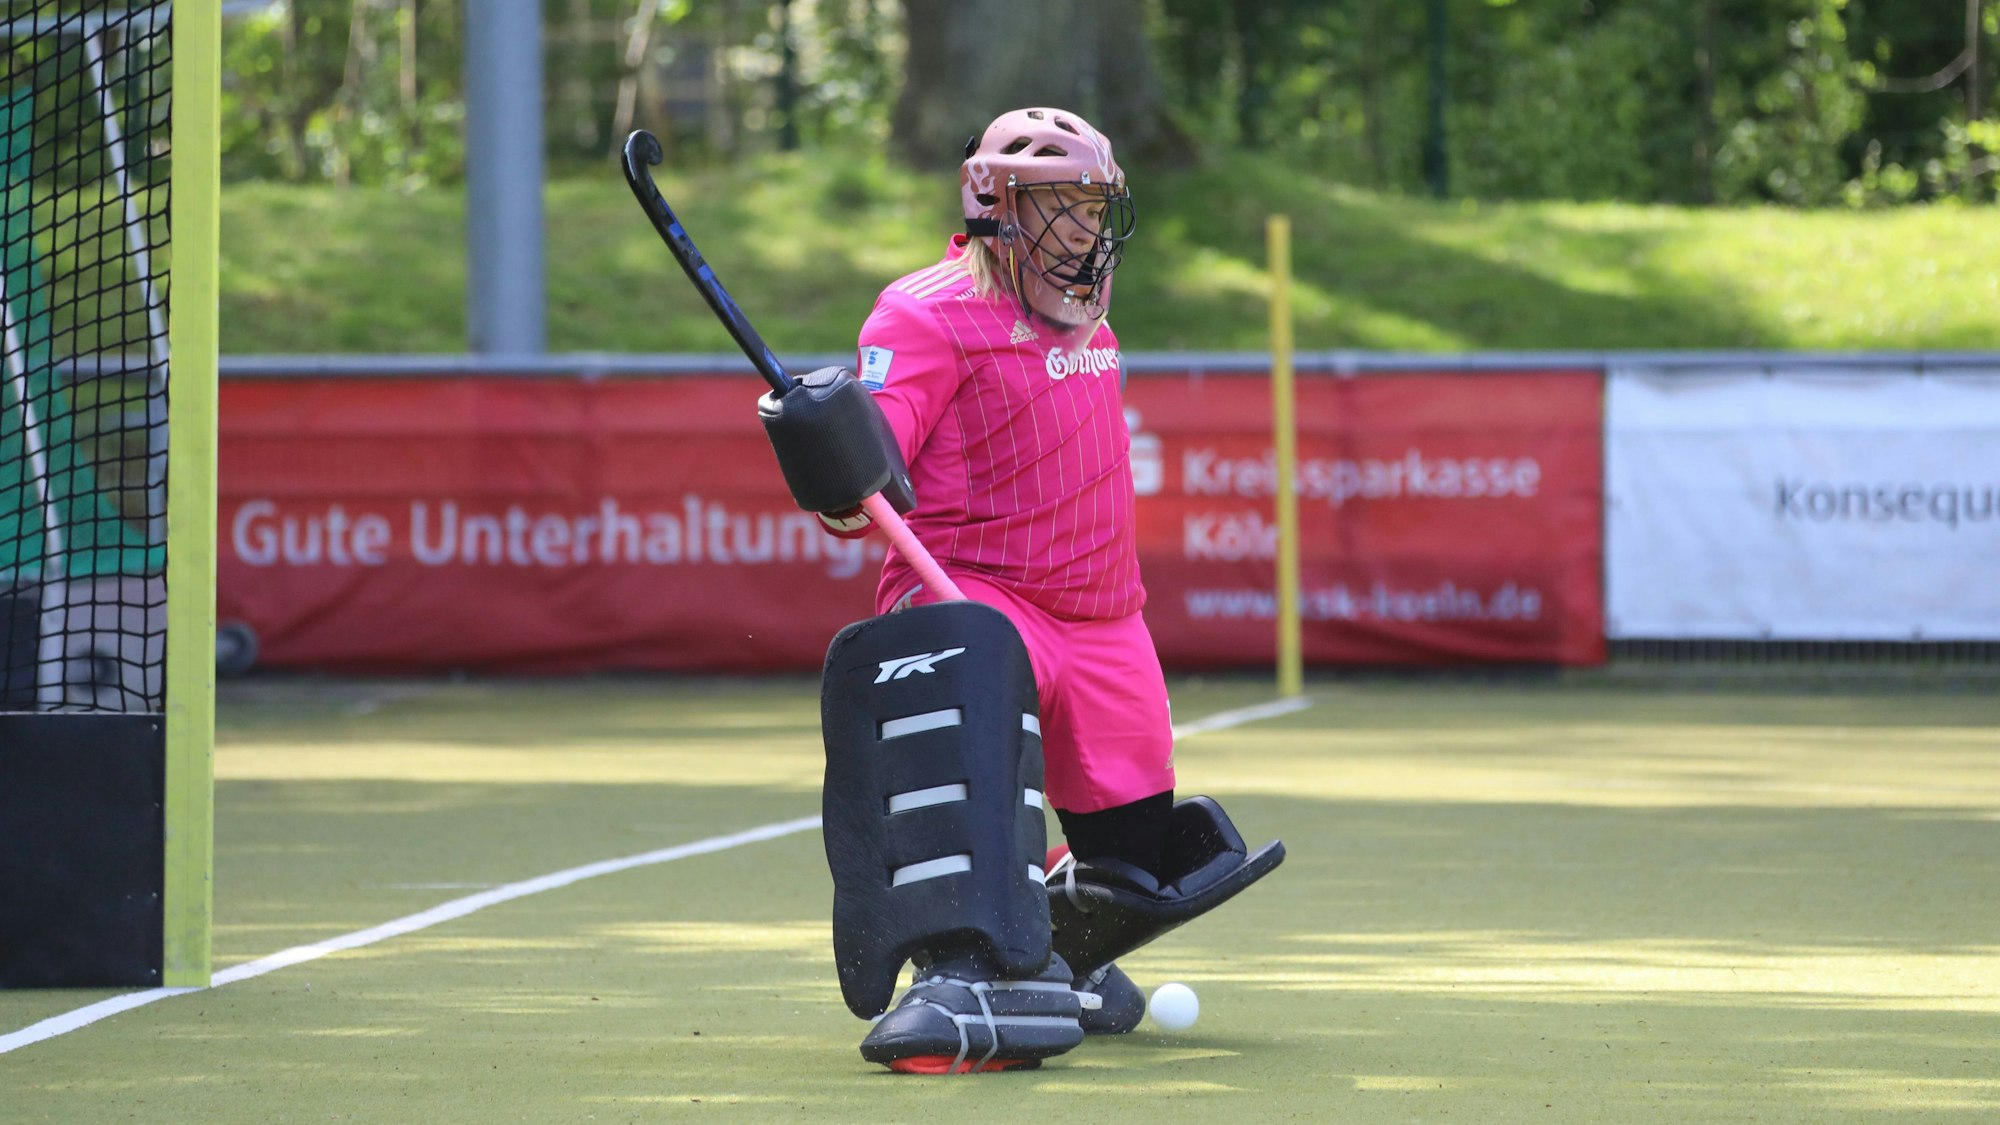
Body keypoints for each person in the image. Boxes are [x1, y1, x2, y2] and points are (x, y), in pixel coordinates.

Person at [815, 107, 1280, 1074]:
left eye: (1095, 205)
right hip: (972, 595)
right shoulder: (923, 311)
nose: (1085, 229)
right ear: (997, 205)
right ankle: (958, 959)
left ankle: (1050, 942)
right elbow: (877, 454)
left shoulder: (1081, 307)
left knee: (1138, 860)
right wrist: (841, 464)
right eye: (1062, 206)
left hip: (1105, 614)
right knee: (974, 753)